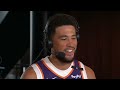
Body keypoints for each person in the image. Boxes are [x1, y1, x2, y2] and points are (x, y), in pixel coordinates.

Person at [20, 13, 96, 79]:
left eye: (73, 38)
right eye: (64, 39)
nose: (71, 44)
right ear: (49, 42)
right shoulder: (33, 75)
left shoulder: (87, 74)